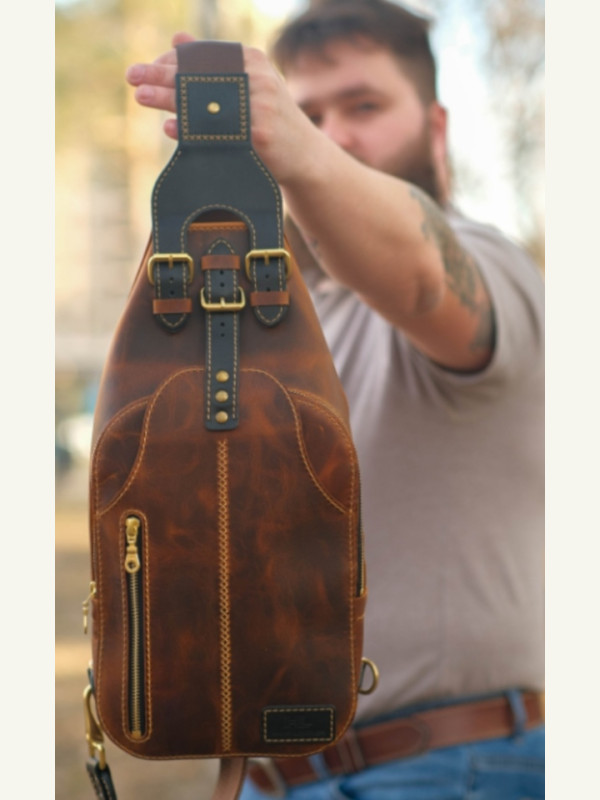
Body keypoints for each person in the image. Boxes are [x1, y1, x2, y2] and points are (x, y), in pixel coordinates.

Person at [125, 1, 545, 797]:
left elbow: (424, 275)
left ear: (437, 126)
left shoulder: (492, 264)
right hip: (272, 773)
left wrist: (303, 149)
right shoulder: (277, 320)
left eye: (364, 105)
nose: (333, 134)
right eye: (309, 113)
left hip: (449, 767)